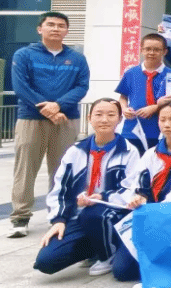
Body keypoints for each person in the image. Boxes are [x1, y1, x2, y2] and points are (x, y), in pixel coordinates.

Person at [33, 99, 140, 276]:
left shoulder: (129, 151)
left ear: (120, 119)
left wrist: (103, 197)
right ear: (89, 118)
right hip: (80, 216)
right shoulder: (75, 151)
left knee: (94, 214)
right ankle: (94, 248)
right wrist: (59, 220)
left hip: (113, 216)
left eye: (111, 115)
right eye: (98, 114)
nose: (104, 119)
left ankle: (109, 253)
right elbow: (60, 188)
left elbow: (132, 188)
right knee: (46, 261)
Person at [8, 11, 90, 238]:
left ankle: (59, 214)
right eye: (51, 24)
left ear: (67, 31)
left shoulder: (77, 58)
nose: (56, 28)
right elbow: (21, 86)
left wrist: (58, 105)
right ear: (40, 29)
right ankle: (20, 217)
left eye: (61, 25)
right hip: (31, 118)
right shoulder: (24, 55)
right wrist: (46, 108)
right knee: (25, 169)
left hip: (66, 119)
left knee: (62, 170)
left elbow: (82, 87)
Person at [108, 99, 171, 282]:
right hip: (149, 215)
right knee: (122, 271)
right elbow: (138, 184)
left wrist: (160, 213)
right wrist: (137, 198)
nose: (167, 124)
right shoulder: (150, 154)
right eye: (162, 120)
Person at [116, 33, 170, 153]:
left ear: (164, 52)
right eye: (148, 49)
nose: (151, 53)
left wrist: (156, 107)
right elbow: (123, 96)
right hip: (132, 129)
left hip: (160, 129)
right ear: (141, 50)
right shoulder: (131, 73)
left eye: (156, 50)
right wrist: (124, 108)